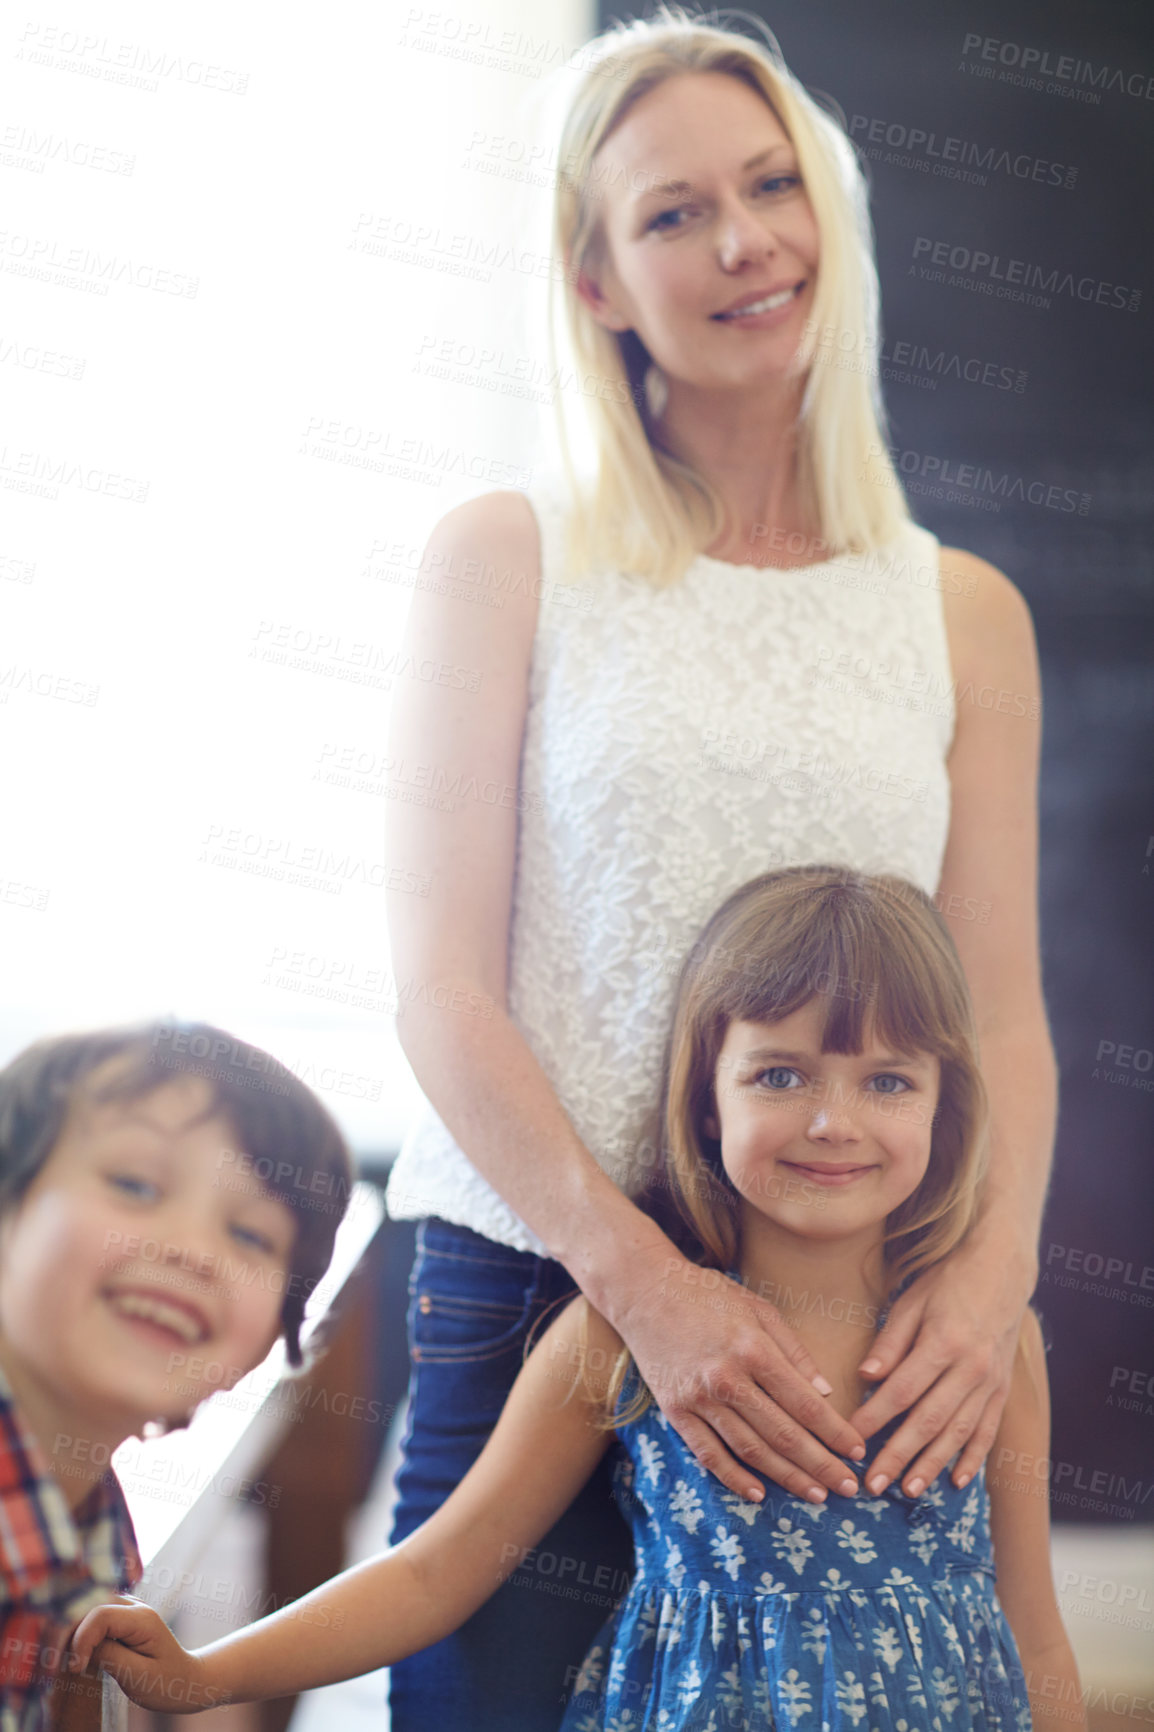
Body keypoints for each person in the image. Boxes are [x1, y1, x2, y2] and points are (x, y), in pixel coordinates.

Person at [381, 8, 1056, 1724]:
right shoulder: (503, 556)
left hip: (852, 1301)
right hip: (544, 1277)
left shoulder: (959, 609)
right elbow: (439, 988)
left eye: (770, 188)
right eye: (671, 211)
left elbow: (1000, 1010)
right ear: (595, 279)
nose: (740, 240)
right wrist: (644, 1284)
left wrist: (979, 1293)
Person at [68, 869, 1081, 1730]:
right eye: (778, 1074)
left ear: (946, 1102)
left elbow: (1030, 1625)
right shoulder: (609, 1340)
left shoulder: (989, 1347)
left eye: (887, 1083)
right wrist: (207, 1672)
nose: (830, 1120)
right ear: (705, 1096)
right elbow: (436, 1572)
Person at [0, 1020, 353, 1730]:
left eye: (251, 1234)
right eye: (134, 1183)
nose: (194, 1250)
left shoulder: (86, 1514)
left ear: (265, 1345)